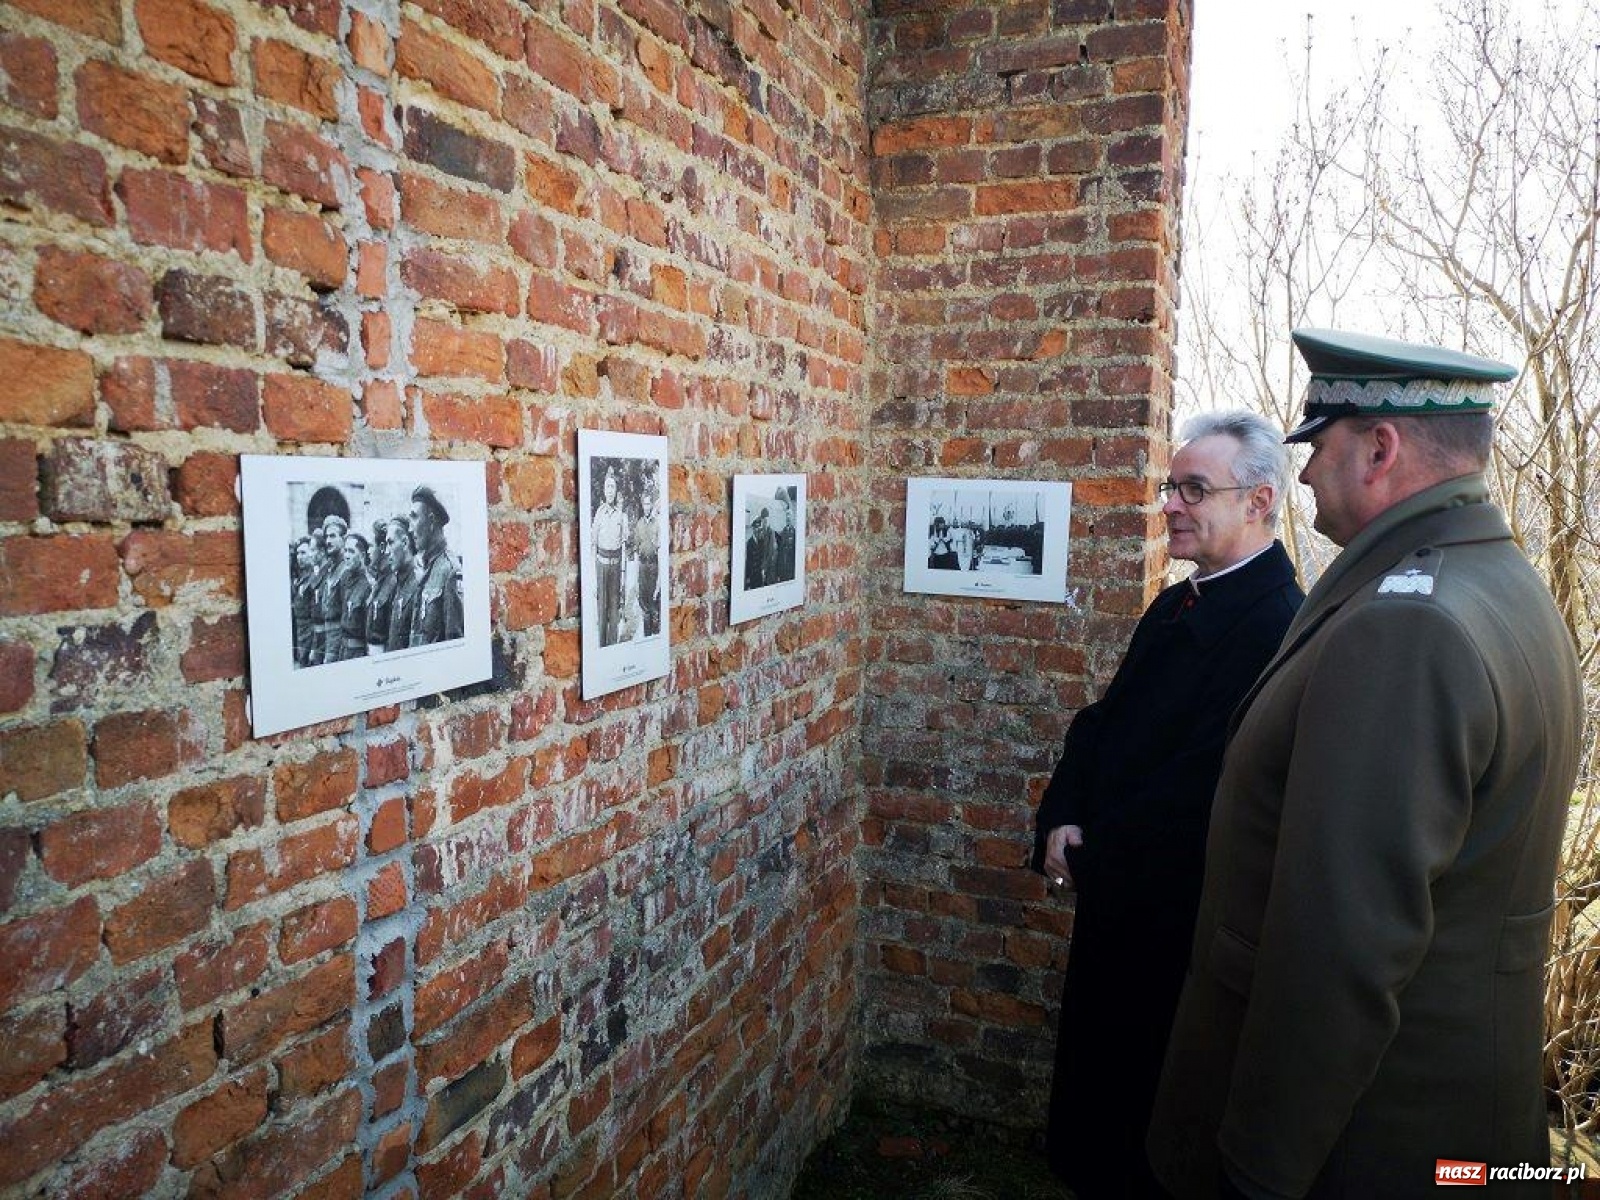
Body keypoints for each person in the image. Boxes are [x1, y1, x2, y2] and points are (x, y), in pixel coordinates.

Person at [1147, 330, 1583, 1200]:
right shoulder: (1503, 584)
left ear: (1379, 448)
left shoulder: (1405, 626)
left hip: (1365, 1138)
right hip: (1453, 1117)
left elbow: (1342, 941)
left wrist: (1258, 1167)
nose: (1305, 472)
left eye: (1320, 444)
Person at [1033, 411, 1304, 1198]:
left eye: (1194, 489)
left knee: (1140, 1126)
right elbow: (1101, 724)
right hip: (1117, 892)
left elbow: (1200, 787)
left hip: (1170, 924)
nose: (1170, 506)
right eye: (1170, 487)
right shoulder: (1179, 604)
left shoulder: (1271, 625)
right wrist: (1060, 818)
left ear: (1258, 502)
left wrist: (1088, 851)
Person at [409, 485, 463, 647]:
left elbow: (454, 643)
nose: (410, 529)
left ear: (431, 521)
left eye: (414, 517)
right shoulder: (425, 567)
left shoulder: (450, 570)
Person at [592, 468, 626, 645]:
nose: (610, 490)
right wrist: (592, 577)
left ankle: (613, 646)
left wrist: (623, 575)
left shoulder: (621, 515)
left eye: (613, 487)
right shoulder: (599, 513)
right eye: (608, 487)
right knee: (601, 606)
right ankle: (601, 644)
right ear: (604, 491)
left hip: (615, 566)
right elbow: (593, 545)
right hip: (601, 566)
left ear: (616, 490)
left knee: (614, 607)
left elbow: (624, 546)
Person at [384, 518, 420, 654]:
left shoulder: (418, 583)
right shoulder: (397, 583)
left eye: (391, 543)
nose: (387, 551)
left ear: (405, 543)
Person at [631, 484, 661, 637]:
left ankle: (655, 637)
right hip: (643, 567)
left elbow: (661, 552)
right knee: (644, 606)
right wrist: (636, 578)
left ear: (651, 504)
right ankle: (646, 636)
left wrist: (660, 580)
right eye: (645, 503)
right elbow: (636, 553)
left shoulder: (658, 524)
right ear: (642, 505)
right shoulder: (639, 524)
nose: (647, 506)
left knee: (654, 602)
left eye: (649, 503)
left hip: (654, 566)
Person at [773, 488, 797, 583]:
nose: (787, 517)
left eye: (788, 514)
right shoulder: (778, 532)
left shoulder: (794, 533)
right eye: (785, 514)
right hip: (781, 573)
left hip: (791, 573)